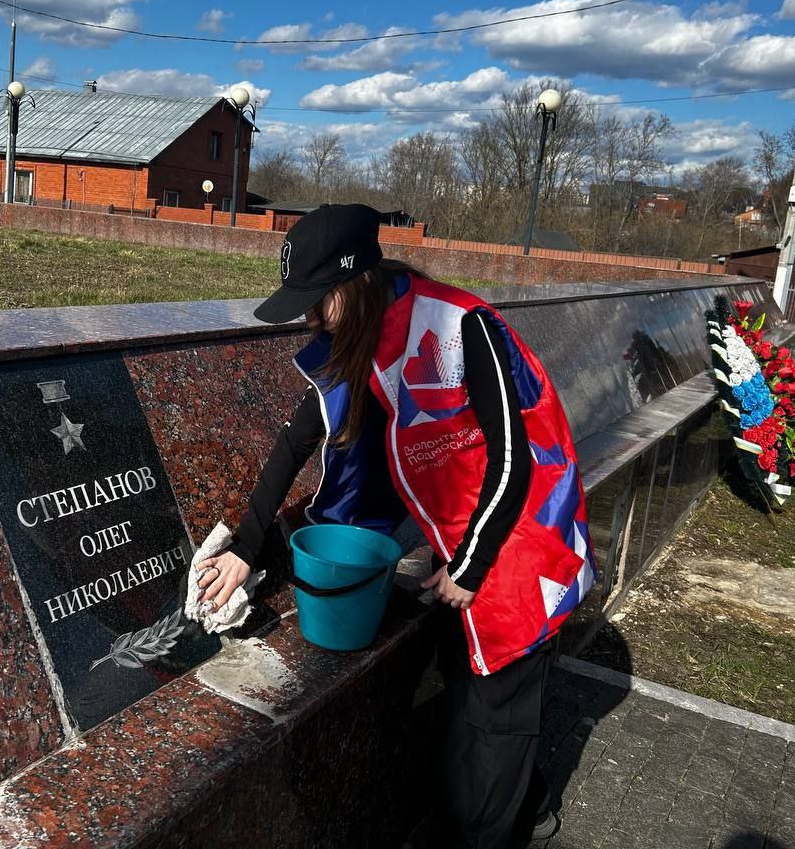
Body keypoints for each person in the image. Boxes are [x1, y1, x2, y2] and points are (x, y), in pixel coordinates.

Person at [197, 204, 596, 848]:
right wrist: (245, 546)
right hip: (466, 542)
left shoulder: (462, 325)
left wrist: (471, 566)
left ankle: (504, 822)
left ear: (354, 283)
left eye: (316, 301)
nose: (309, 318)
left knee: (490, 735)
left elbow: (514, 460)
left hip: (523, 550)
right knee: (468, 711)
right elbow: (296, 439)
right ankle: (526, 801)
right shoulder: (366, 332)